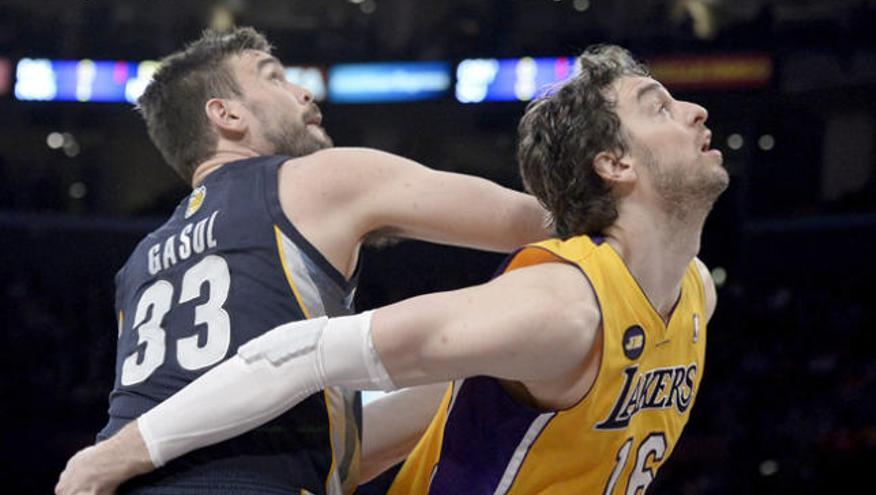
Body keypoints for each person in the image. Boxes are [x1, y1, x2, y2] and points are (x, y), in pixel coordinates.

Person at [58, 43, 729, 495]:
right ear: (225, 114)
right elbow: (541, 216)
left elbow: (335, 436)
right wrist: (627, 216)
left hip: (150, 463)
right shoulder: (323, 176)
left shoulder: (144, 258)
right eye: (271, 75)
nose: (302, 91)